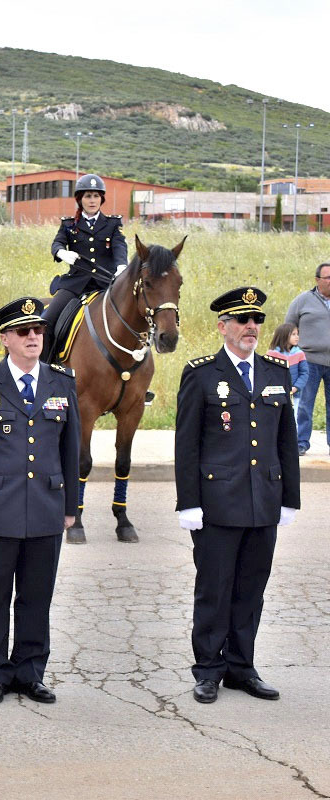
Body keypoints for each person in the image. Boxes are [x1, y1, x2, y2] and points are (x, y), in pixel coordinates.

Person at [0, 297, 80, 706]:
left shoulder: (62, 381)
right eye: (24, 331)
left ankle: (30, 671)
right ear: (5, 338)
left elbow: (71, 448)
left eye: (38, 330)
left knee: (36, 595)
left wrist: (71, 507)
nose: (33, 337)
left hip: (46, 505)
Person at [176, 286, 299, 704]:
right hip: (217, 503)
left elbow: (286, 441)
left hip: (263, 499)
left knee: (251, 588)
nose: (251, 327)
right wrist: (188, 502)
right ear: (222, 326)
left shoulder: (275, 373)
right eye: (242, 320)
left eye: (257, 320)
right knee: (214, 588)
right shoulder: (201, 374)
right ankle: (208, 669)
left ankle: (242, 667)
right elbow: (187, 444)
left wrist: (289, 499)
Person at [41, 174, 127, 361]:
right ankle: (46, 370)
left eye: (96, 196)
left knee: (134, 318)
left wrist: (122, 266)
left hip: (106, 284)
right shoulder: (69, 224)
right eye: (88, 196)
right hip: (75, 284)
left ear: (101, 199)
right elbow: (57, 244)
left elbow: (120, 246)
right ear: (80, 199)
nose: (92, 200)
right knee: (47, 321)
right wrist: (62, 253)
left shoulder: (112, 224)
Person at [283, 262, 330, 455]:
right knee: (304, 404)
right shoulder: (302, 301)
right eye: (328, 277)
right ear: (317, 280)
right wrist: (291, 353)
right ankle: (301, 443)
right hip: (308, 361)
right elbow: (288, 326)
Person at [266, 322, 307, 421]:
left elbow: (304, 373)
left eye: (297, 334)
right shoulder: (272, 354)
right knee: (276, 420)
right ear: (284, 335)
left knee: (293, 420)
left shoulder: (300, 354)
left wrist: (295, 388)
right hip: (276, 395)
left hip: (294, 395)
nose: (297, 337)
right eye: (293, 334)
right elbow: (267, 374)